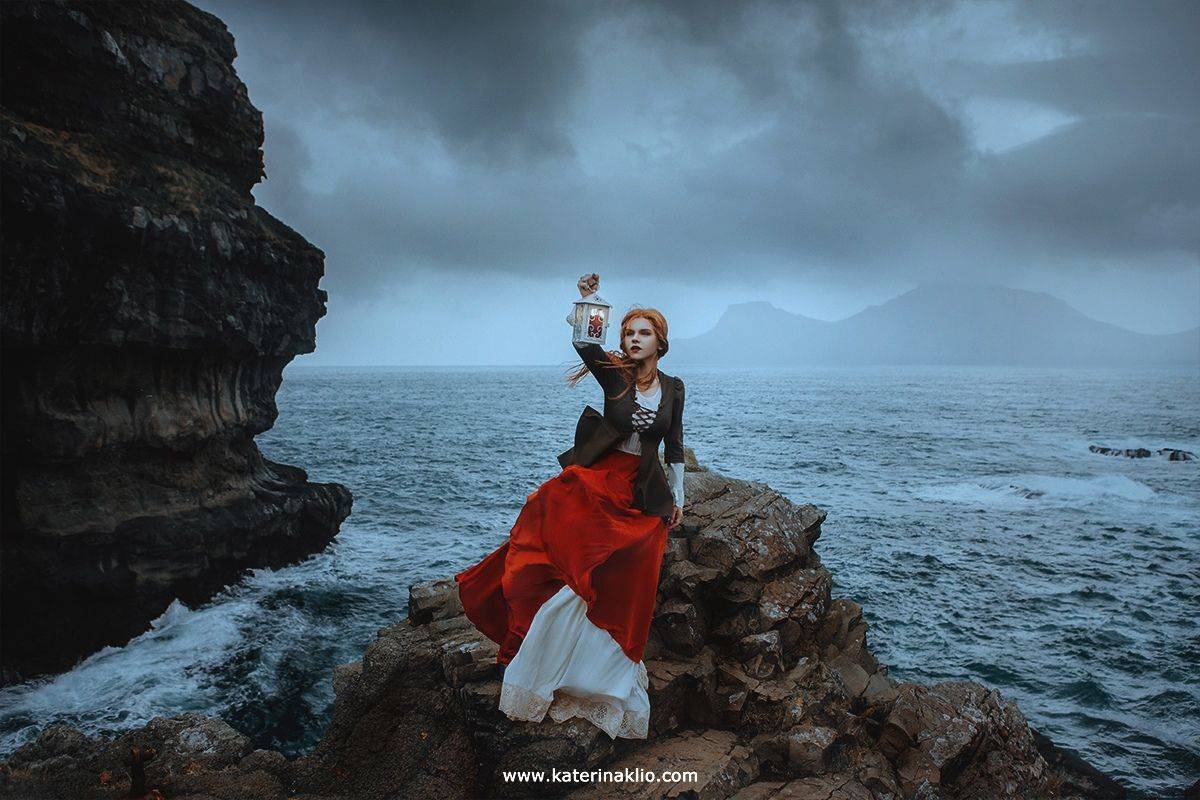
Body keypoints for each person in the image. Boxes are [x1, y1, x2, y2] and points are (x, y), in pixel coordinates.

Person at [453, 273, 686, 739]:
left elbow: (674, 447)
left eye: (642, 333)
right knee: (576, 577)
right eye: (628, 332)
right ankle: (545, 664)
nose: (633, 339)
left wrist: (678, 498)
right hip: (598, 484)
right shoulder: (614, 374)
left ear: (660, 341)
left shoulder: (674, 387)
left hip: (641, 492)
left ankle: (603, 675)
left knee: (627, 582)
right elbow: (585, 341)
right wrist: (591, 302)